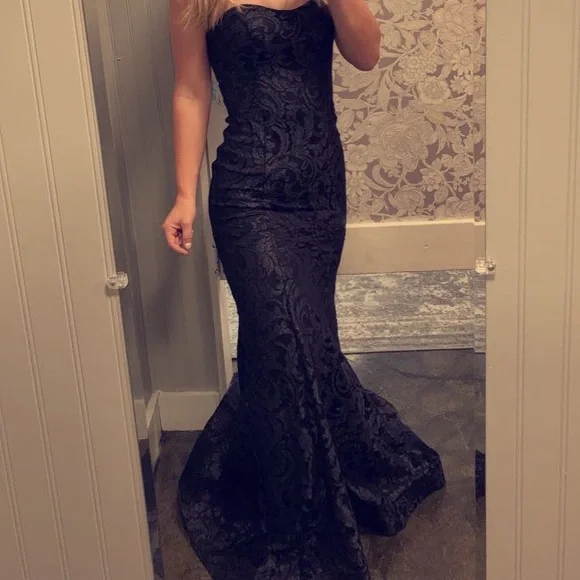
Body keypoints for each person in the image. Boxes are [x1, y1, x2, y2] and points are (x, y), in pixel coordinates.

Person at [162, 1, 445, 578]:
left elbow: (367, 55)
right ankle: (300, 523)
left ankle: (302, 463)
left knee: (309, 342)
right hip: (247, 193)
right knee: (284, 336)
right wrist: (185, 195)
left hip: (319, 190)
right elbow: (191, 89)